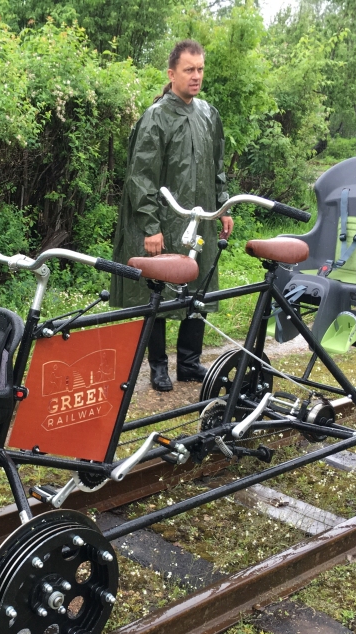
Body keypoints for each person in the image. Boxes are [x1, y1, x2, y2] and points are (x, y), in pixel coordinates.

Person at [109, 39, 234, 392]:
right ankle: (159, 366)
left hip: (202, 219)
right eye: (189, 70)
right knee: (159, 292)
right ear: (171, 73)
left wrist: (223, 206)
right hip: (164, 222)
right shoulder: (157, 117)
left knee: (199, 287)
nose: (196, 77)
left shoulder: (209, 114)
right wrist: (150, 226)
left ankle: (190, 363)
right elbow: (141, 176)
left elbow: (218, 168)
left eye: (200, 69)